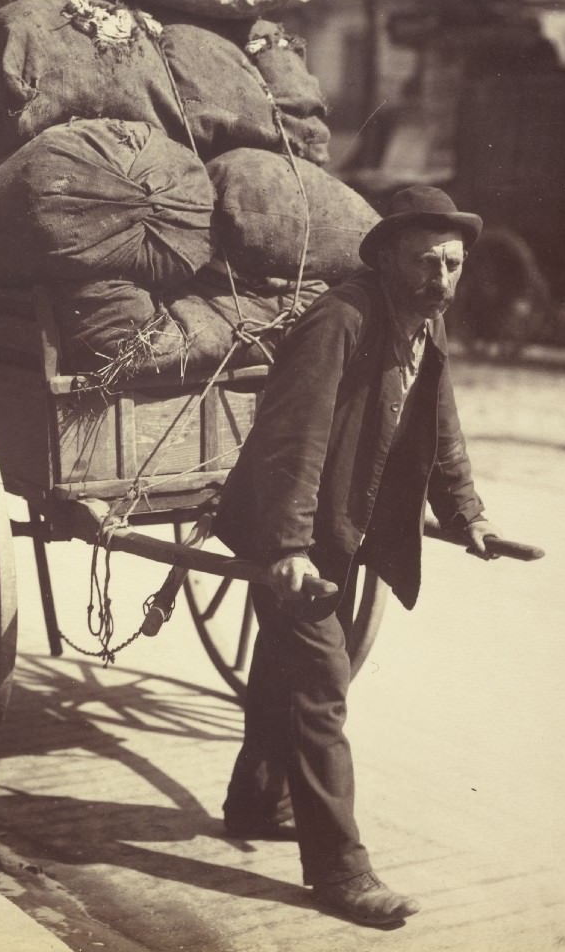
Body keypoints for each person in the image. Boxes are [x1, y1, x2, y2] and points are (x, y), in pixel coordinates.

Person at [213, 184, 502, 929]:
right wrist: (285, 548)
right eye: (423, 263)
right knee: (321, 677)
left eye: (451, 265)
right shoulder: (340, 321)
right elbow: (292, 438)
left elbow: (440, 427)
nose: (438, 280)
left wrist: (467, 514)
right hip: (295, 528)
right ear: (385, 258)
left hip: (338, 528)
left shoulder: (422, 327)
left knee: (288, 660)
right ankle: (339, 869)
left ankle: (256, 798)